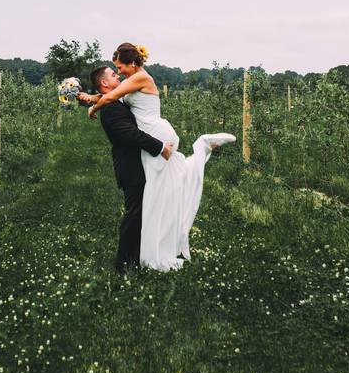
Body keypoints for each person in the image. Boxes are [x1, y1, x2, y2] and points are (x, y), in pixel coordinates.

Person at [82, 43, 235, 271]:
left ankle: (202, 146)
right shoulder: (130, 83)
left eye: (120, 67)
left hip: (155, 137)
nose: (120, 73)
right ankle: (148, 250)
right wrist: (91, 98)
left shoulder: (138, 78)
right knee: (163, 193)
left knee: (161, 193)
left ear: (132, 63)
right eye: (115, 71)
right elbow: (109, 97)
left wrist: (93, 108)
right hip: (152, 137)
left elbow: (109, 97)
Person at [87, 63, 175, 273]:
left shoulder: (113, 102)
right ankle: (123, 264)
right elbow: (131, 134)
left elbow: (109, 99)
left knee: (140, 212)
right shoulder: (110, 110)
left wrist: (91, 100)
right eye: (112, 74)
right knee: (133, 214)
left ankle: (136, 257)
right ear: (104, 83)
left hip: (137, 164)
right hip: (130, 166)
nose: (117, 75)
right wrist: (160, 147)